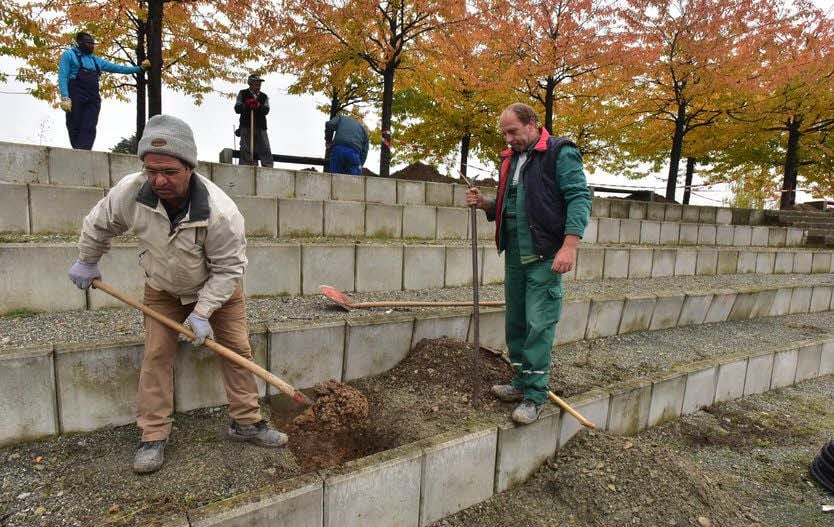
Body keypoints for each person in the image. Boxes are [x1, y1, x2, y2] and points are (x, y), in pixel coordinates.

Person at [67, 114, 287, 474]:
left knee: (236, 350)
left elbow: (229, 269)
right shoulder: (130, 193)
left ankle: (246, 423)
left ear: (189, 167)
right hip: (163, 288)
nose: (158, 180)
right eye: (151, 170)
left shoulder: (221, 213)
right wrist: (87, 261)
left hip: (217, 288)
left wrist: (202, 313)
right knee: (157, 354)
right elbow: (99, 223)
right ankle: (153, 435)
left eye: (169, 171)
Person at [466, 103, 592, 425]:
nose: (509, 139)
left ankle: (535, 395)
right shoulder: (511, 159)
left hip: (545, 255)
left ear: (533, 124)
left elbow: (579, 197)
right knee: (517, 322)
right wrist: (486, 204)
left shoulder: (559, 153)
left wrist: (570, 245)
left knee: (539, 324)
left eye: (514, 132)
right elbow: (513, 204)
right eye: (505, 133)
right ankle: (521, 382)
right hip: (515, 255)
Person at [58, 32, 151, 150]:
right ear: (79, 42)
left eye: (93, 43)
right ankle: (78, 151)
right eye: (88, 43)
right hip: (76, 95)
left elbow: (117, 68)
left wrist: (139, 69)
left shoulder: (96, 61)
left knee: (90, 125)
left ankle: (84, 151)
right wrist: (65, 97)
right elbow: (63, 76)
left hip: (92, 97)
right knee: (74, 124)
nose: (92, 46)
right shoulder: (69, 55)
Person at [234, 74, 273, 167]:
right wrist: (246, 105)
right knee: (245, 147)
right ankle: (246, 166)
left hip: (261, 126)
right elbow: (237, 108)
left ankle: (267, 166)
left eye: (259, 84)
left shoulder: (264, 96)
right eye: (256, 84)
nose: (258, 87)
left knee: (265, 148)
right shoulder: (242, 93)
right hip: (246, 125)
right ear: (250, 84)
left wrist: (259, 106)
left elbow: (266, 110)